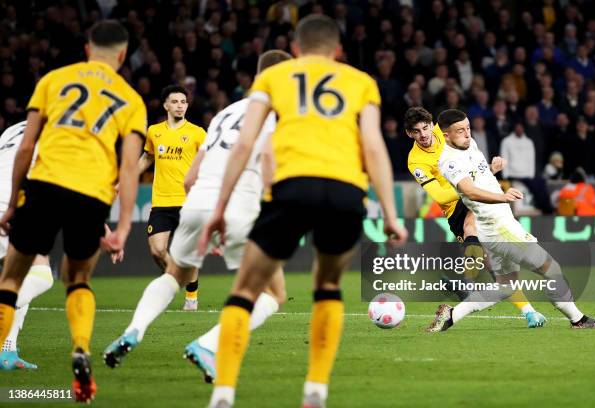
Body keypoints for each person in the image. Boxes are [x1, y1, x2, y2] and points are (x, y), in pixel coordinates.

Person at [199, 15, 406, 408]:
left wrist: (220, 206)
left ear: (295, 49)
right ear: (339, 51)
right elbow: (375, 147)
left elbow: (245, 145)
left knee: (244, 291)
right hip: (345, 192)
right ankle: (315, 390)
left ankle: (223, 393)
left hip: (292, 188)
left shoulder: (274, 78)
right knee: (326, 287)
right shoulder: (362, 83)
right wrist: (392, 215)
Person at [103, 51, 292, 386]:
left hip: (195, 202)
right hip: (237, 207)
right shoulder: (277, 115)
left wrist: (205, 214)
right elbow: (269, 169)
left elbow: (190, 178)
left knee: (175, 274)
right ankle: (207, 346)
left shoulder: (223, 115)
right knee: (272, 294)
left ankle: (134, 329)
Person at [0, 20, 146, 402]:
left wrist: (14, 201)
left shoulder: (53, 81)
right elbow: (130, 169)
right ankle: (80, 347)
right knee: (77, 279)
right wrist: (124, 225)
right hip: (90, 192)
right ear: (122, 55)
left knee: (12, 279)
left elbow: (25, 147)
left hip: (44, 184)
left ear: (86, 49)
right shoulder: (131, 99)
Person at [427, 109, 595, 332]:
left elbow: (478, 177)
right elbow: (470, 191)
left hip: (492, 227)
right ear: (446, 136)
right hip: (499, 227)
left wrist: (492, 170)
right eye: (460, 131)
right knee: (551, 268)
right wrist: (502, 197)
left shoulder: (470, 144)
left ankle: (452, 315)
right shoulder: (448, 161)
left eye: (468, 128)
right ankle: (578, 320)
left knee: (506, 287)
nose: (467, 134)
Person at [404, 107, 545, 327]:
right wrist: (468, 184)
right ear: (409, 134)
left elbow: (472, 159)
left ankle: (466, 282)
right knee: (497, 272)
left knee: (472, 226)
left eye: (425, 127)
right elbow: (441, 196)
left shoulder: (449, 132)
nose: (423, 134)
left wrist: (484, 172)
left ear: (433, 126)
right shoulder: (415, 161)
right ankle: (529, 311)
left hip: (475, 193)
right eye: (416, 131)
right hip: (454, 206)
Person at [138, 85, 207, 310]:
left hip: (189, 202)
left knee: (188, 253)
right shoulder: (154, 132)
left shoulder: (197, 133)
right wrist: (126, 179)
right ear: (166, 105)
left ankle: (191, 296)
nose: (180, 105)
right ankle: (177, 278)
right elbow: (147, 158)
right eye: (175, 102)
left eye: (183, 102)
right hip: (161, 202)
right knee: (157, 250)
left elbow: (207, 162)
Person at [0, 121, 54, 370]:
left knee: (21, 276)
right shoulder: (62, 131)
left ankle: (7, 349)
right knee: (42, 276)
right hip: (14, 206)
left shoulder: (13, 129)